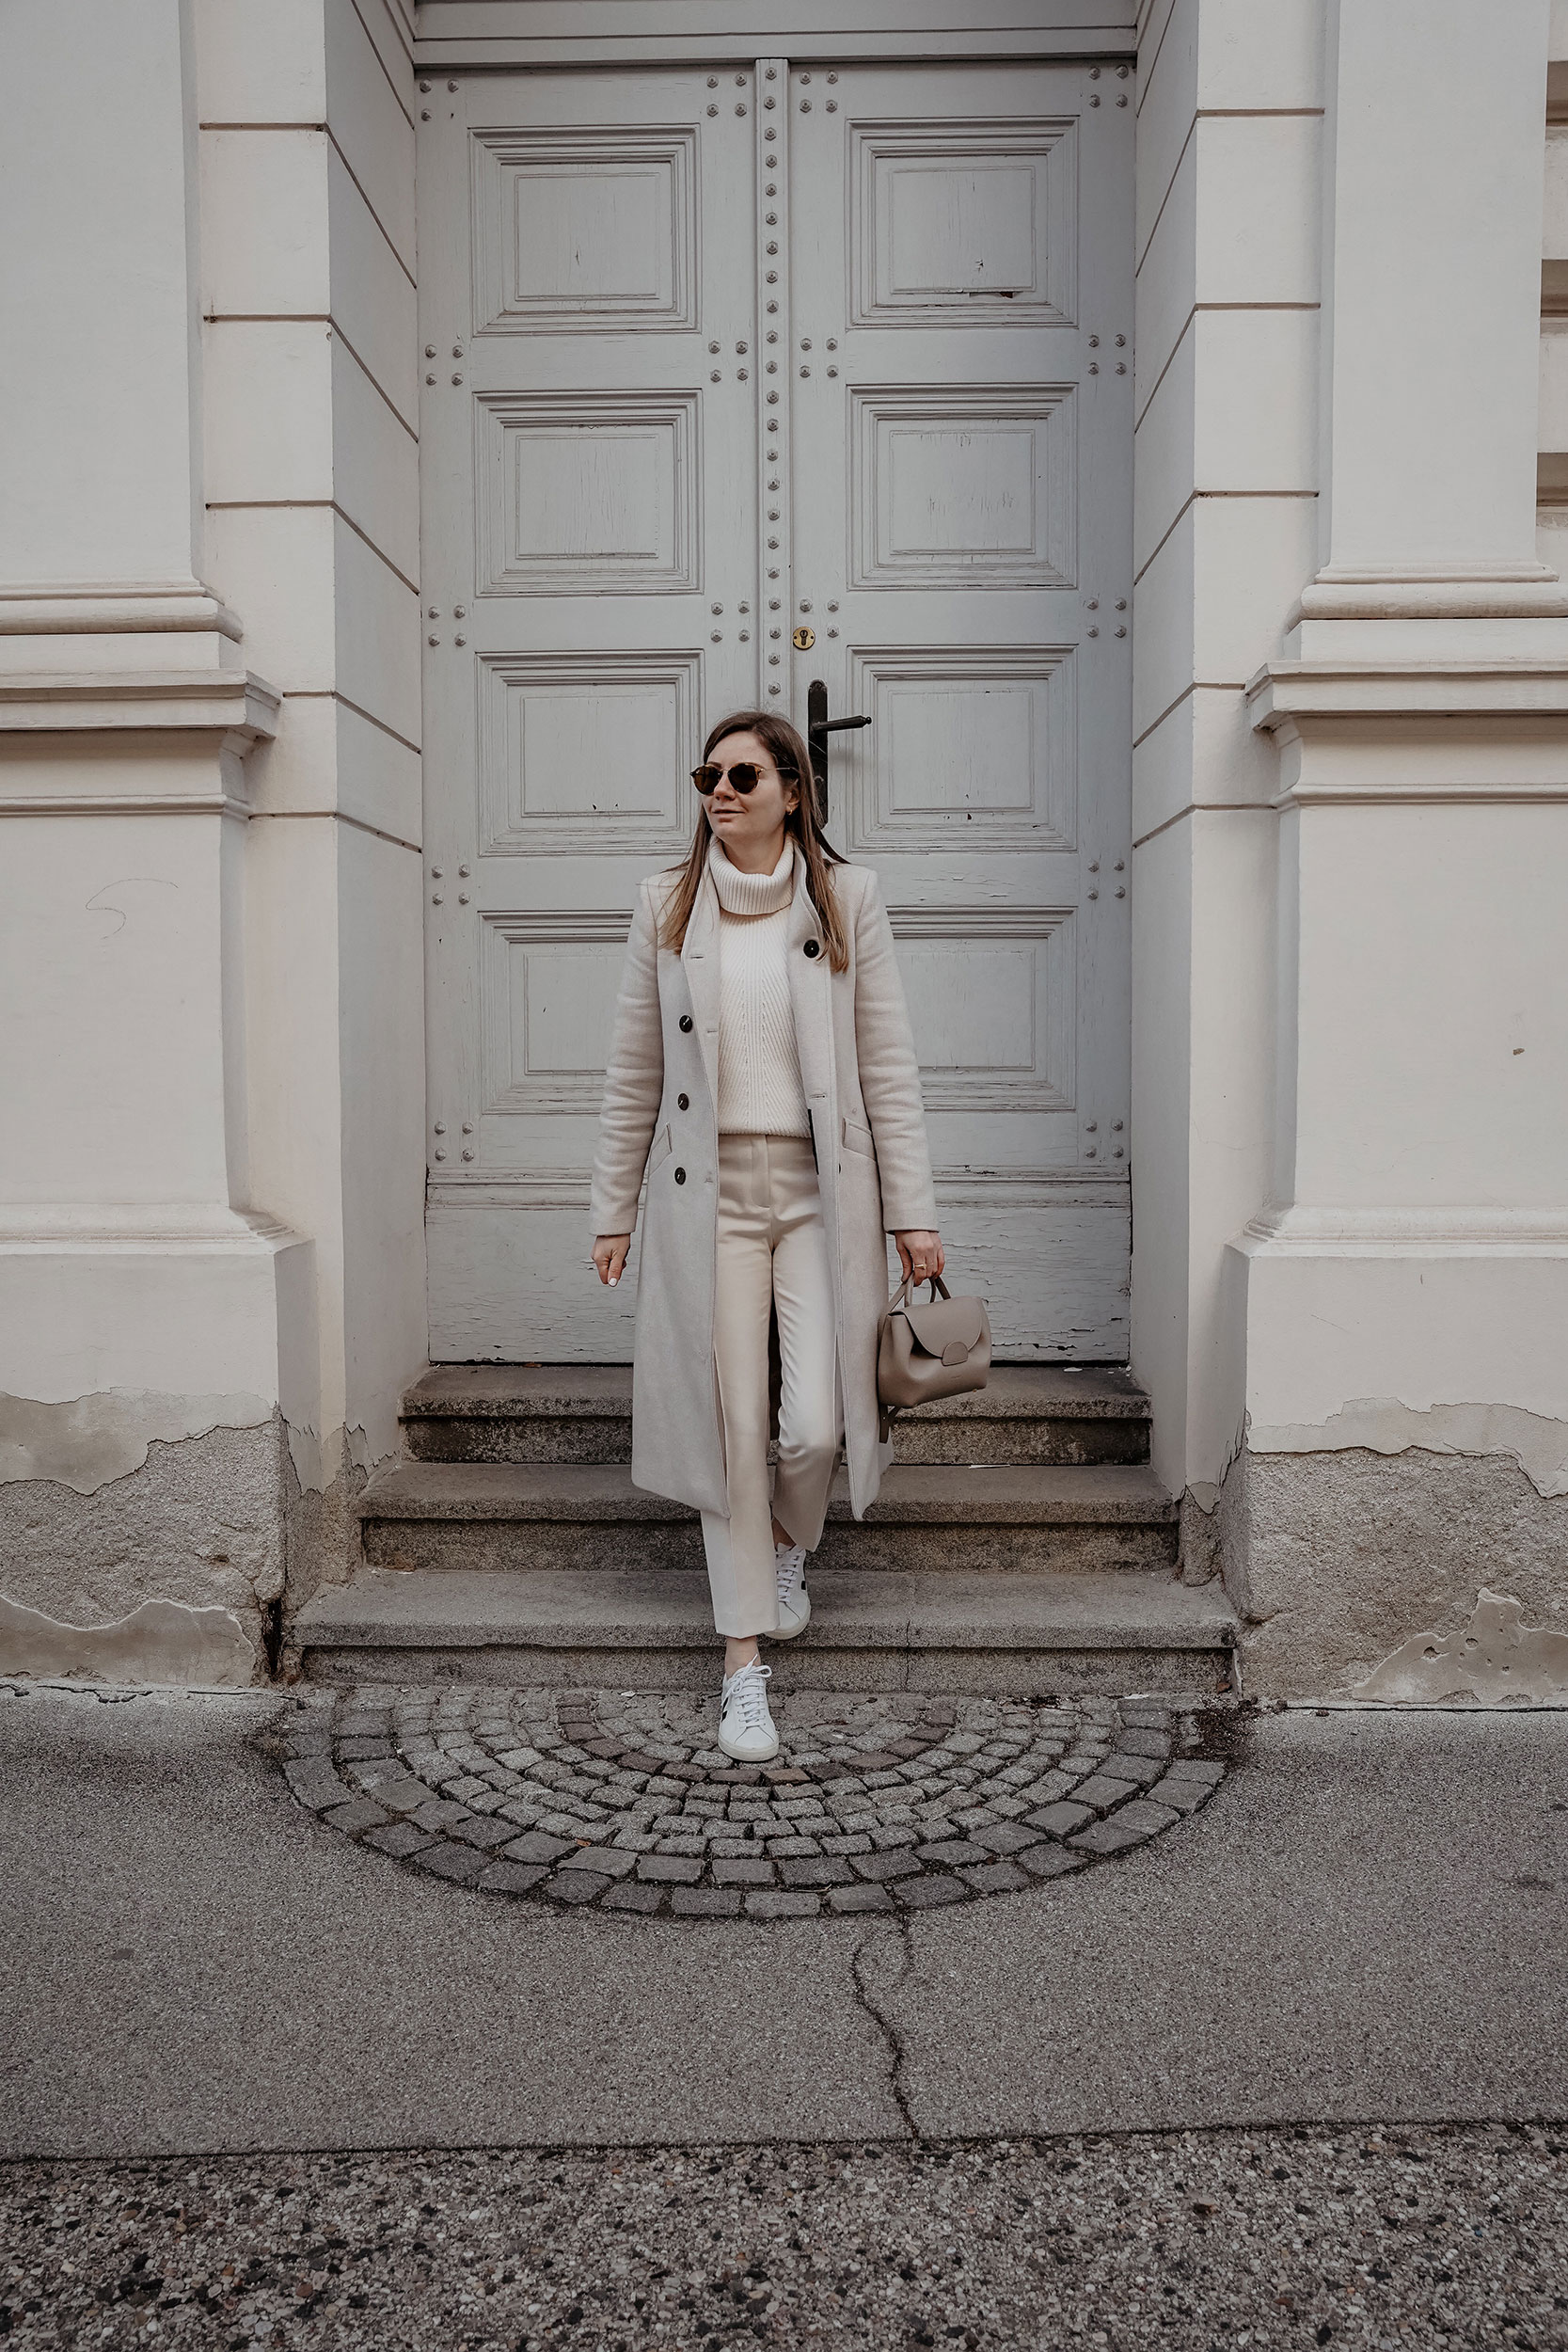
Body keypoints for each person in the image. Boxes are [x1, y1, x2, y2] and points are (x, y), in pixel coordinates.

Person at [589, 710, 942, 1761]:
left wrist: (912, 1213)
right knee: (732, 1425)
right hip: (709, 1195)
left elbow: (887, 1069)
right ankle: (742, 1662)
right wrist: (613, 1208)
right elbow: (631, 1073)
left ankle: (790, 1541)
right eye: (706, 773)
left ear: (792, 789)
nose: (718, 790)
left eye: (741, 773)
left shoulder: (844, 897)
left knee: (815, 1428)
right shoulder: (666, 904)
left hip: (817, 1191)